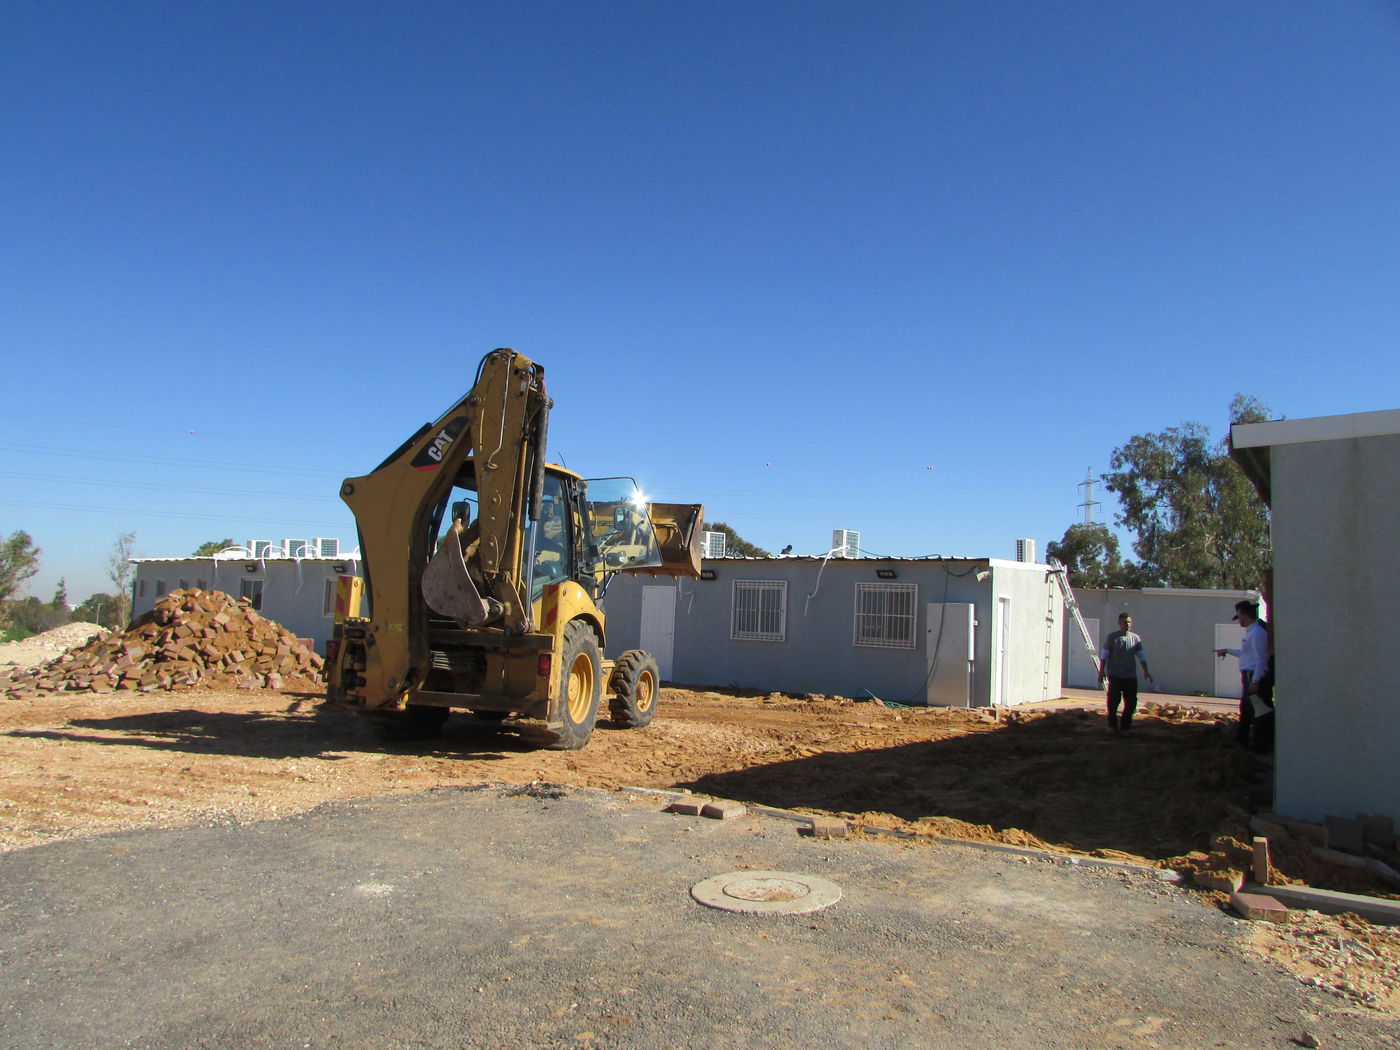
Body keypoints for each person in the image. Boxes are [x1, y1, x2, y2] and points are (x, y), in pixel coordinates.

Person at [1216, 600, 1273, 751]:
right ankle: (1244, 740)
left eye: (1239, 616)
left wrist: (1255, 681)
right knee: (1247, 710)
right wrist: (1227, 650)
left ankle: (1261, 745)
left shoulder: (1257, 634)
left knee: (1260, 712)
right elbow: (1247, 654)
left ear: (1244, 614)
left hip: (1254, 676)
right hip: (1250, 675)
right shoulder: (1252, 632)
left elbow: (1261, 659)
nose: (1239, 621)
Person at [1098, 612, 1153, 733]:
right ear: (1119, 623)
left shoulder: (1135, 638)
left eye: (1129, 622)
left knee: (1131, 703)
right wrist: (1101, 671)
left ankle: (1125, 727)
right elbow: (1104, 656)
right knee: (1113, 702)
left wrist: (1146, 671)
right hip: (1115, 675)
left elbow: (1141, 656)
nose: (1127, 624)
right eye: (1124, 622)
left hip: (1130, 676)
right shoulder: (1112, 638)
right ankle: (1112, 726)